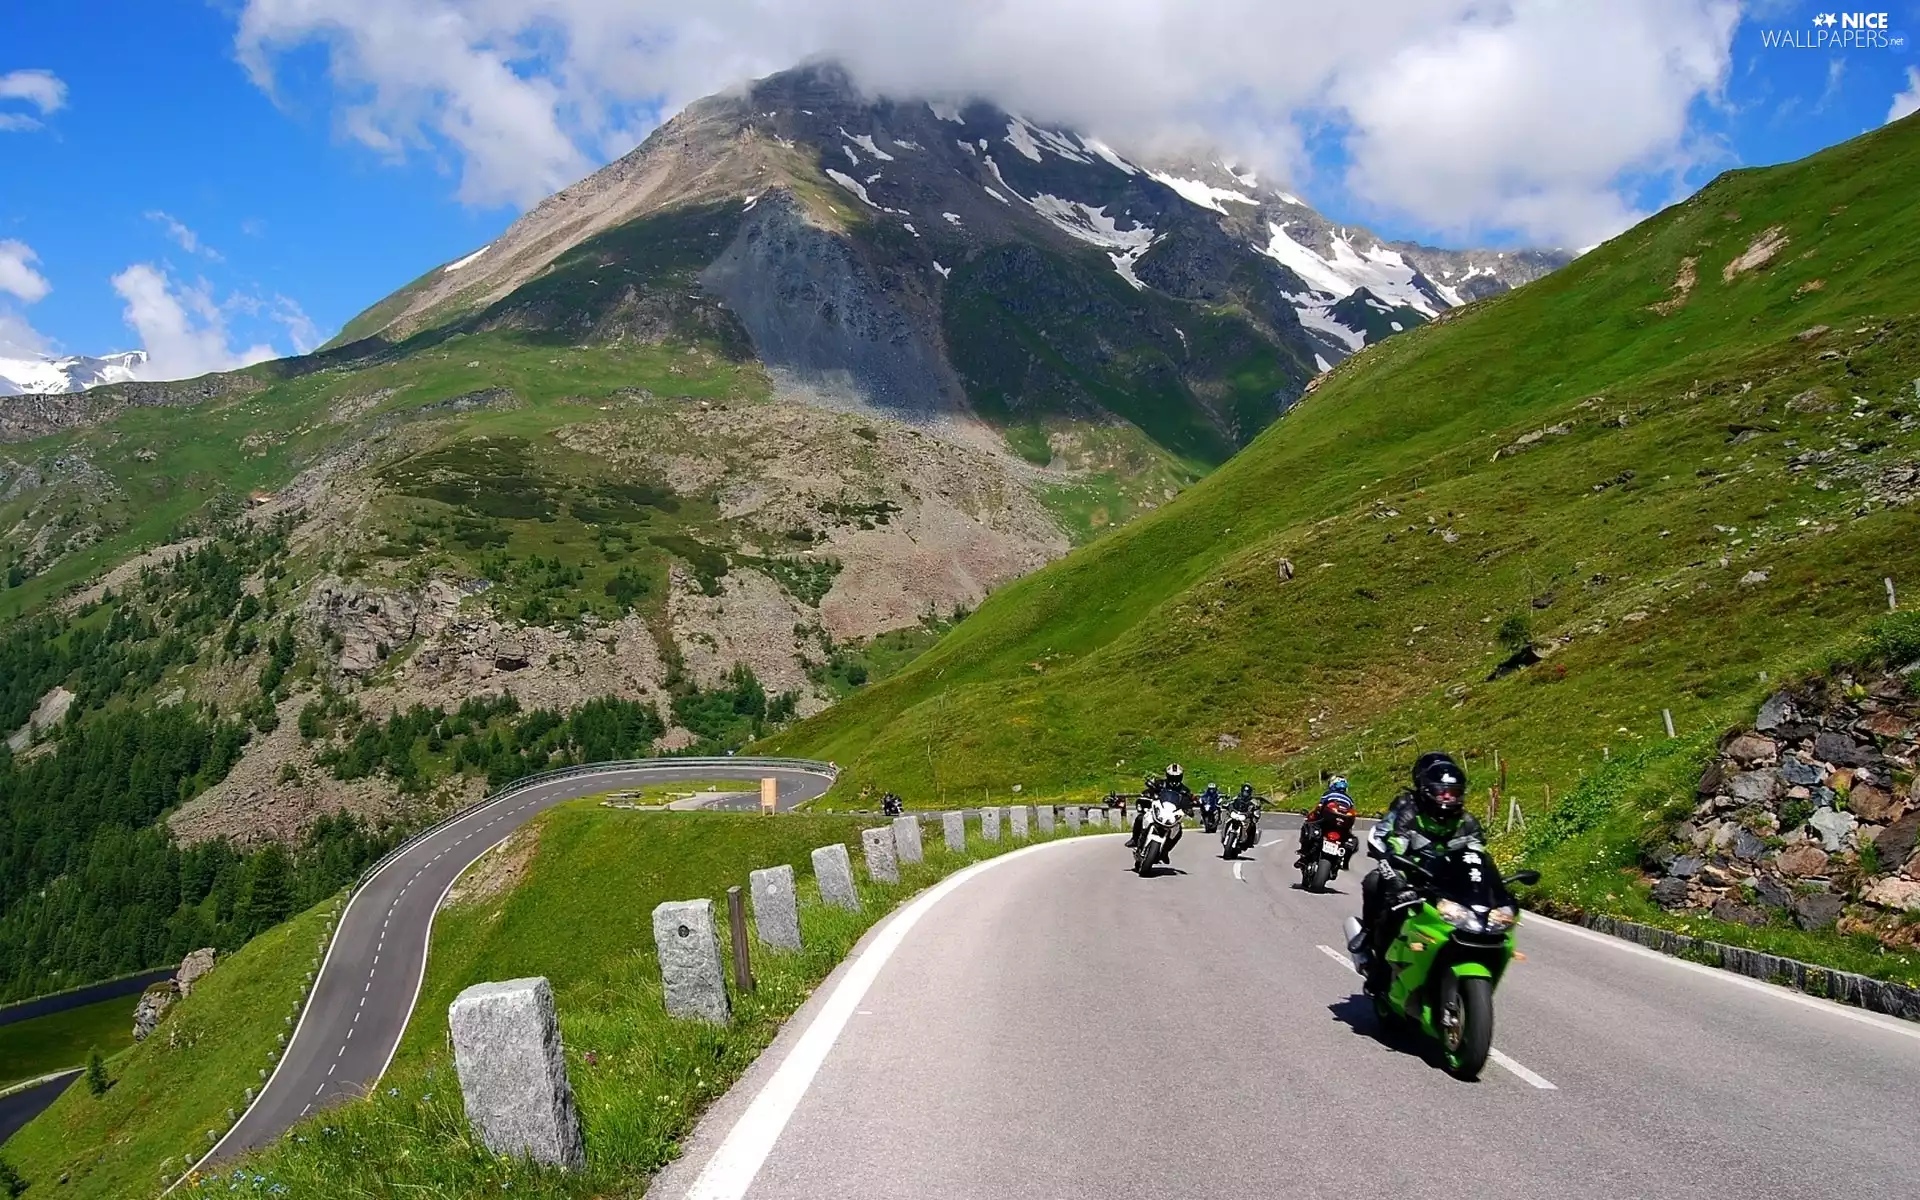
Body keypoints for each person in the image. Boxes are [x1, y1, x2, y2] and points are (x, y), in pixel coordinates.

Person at [1354, 752, 1482, 995]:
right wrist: (1394, 870)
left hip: (1450, 881)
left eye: (1452, 791)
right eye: (1441, 790)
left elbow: (1479, 855)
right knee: (1375, 884)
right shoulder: (1407, 809)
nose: (1447, 796)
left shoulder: (1467, 822)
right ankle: (1374, 948)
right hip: (1414, 877)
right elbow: (1391, 839)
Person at [1127, 763, 1193, 848]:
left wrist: (1189, 808)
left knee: (1178, 830)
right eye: (1172, 777)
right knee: (1141, 817)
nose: (1174, 780)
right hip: (1159, 808)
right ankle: (1134, 839)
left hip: (1172, 814)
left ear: (1181, 777)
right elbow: (1150, 789)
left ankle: (1165, 851)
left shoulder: (1185, 790)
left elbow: (1188, 801)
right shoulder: (1161, 783)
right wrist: (1148, 793)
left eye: (1177, 777)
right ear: (1167, 776)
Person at [1296, 776, 1356, 864]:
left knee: (1308, 826)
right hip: (1341, 826)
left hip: (1326, 822)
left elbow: (1319, 807)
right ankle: (1340, 860)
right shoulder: (1350, 799)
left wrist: (1311, 816)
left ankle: (1304, 853)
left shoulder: (1328, 794)